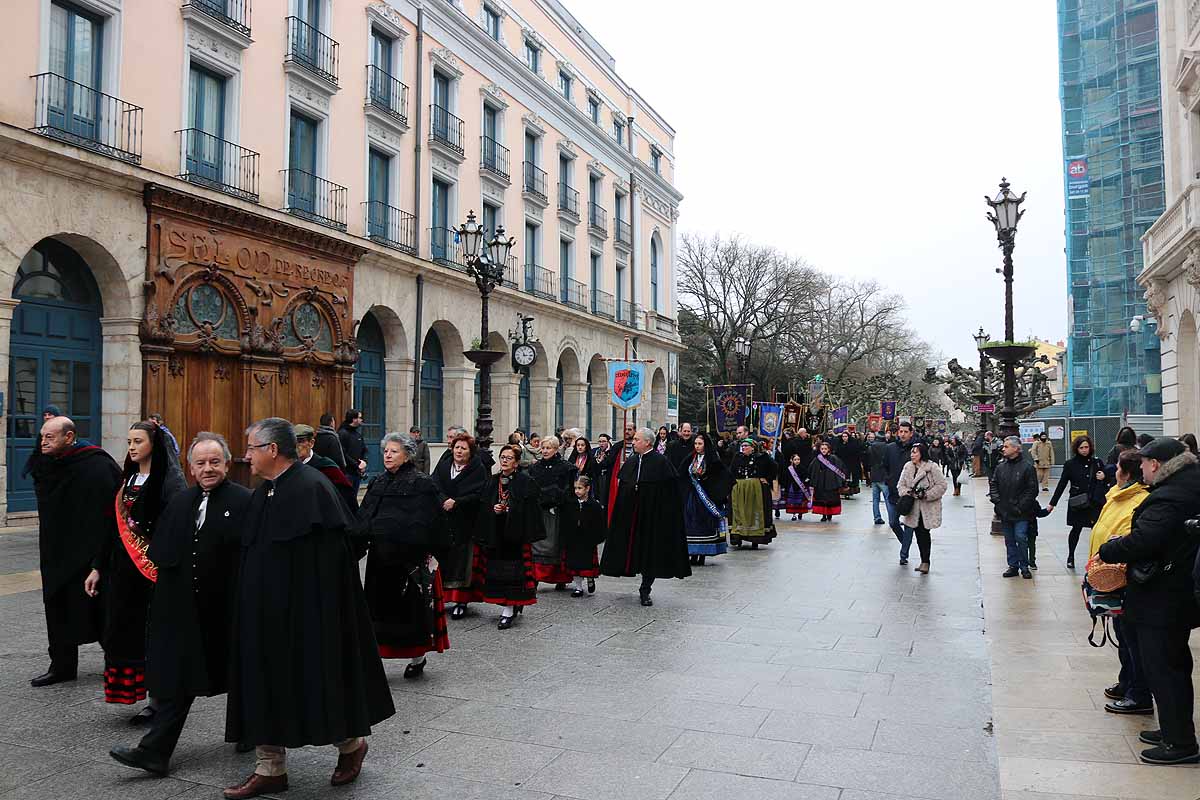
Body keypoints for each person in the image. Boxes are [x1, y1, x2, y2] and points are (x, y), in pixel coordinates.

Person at [224, 418, 394, 798]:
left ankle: (352, 746)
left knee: (317, 685)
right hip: (264, 616)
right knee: (264, 683)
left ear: (272, 450)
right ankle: (270, 768)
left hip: (305, 616)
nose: (246, 455)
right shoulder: (265, 491)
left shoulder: (312, 489)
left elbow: (329, 568)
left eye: (252, 447)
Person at [108, 432, 251, 776]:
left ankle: (252, 731)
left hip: (231, 610)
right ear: (190, 467)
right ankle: (155, 752)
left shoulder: (246, 501)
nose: (207, 469)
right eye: (200, 463)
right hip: (187, 611)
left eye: (215, 462)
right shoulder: (181, 502)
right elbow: (163, 555)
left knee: (244, 673)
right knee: (179, 681)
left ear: (227, 464)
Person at [1098, 437, 1200, 765]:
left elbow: (1146, 540)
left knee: (1165, 668)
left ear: (1155, 464)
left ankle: (1180, 743)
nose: (1140, 468)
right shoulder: (1187, 484)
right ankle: (1173, 730)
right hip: (1175, 592)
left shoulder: (1171, 496)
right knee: (1172, 665)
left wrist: (1111, 548)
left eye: (1143, 463)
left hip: (1164, 596)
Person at [86, 421, 186, 718]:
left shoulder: (168, 483)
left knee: (151, 635)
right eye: (129, 441)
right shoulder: (127, 480)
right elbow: (111, 528)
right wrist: (97, 567)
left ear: (154, 445)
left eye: (138, 441)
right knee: (123, 631)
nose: (131, 447)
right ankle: (130, 690)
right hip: (121, 571)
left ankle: (158, 700)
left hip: (150, 574)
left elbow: (174, 529)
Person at [29, 416, 121, 688]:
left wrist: (100, 557)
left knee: (100, 608)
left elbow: (111, 508)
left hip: (89, 550)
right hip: (56, 548)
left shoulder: (96, 464)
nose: (43, 442)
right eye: (42, 436)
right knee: (56, 605)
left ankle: (118, 663)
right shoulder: (45, 462)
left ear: (69, 437)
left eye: (50, 437)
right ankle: (61, 665)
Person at [357, 432, 449, 680]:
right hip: (379, 560)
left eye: (393, 451)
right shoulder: (377, 483)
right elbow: (364, 517)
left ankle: (417, 658)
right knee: (379, 609)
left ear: (407, 454)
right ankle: (376, 659)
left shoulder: (422, 483)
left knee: (410, 612)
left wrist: (423, 552)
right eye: (386, 451)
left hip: (409, 562)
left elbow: (432, 521)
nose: (387, 455)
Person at [1087, 450, 1151, 716]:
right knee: (1122, 636)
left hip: (1123, 578)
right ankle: (1127, 681)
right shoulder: (1116, 495)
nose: (1114, 473)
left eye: (1118, 469)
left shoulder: (1138, 500)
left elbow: (1129, 538)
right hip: (1107, 575)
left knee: (1132, 639)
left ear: (1125, 473)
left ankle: (1139, 693)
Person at [601, 427, 691, 606]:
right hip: (632, 518)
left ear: (647, 442)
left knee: (650, 553)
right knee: (633, 551)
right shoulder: (633, 461)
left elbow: (670, 495)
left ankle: (645, 588)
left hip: (652, 518)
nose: (633, 442)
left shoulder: (661, 462)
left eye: (636, 439)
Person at [476, 444, 545, 629]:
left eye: (509, 458)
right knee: (498, 570)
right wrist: (494, 508)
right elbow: (484, 505)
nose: (504, 461)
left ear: (516, 462)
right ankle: (507, 605)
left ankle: (509, 609)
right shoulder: (492, 481)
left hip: (516, 535)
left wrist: (510, 509)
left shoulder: (525, 481)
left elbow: (531, 509)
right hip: (497, 533)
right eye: (502, 457)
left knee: (514, 572)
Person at [432, 432, 488, 620]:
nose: (459, 451)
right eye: (457, 447)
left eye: (463, 448)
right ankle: (441, 597)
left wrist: (457, 502)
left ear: (470, 452)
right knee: (443, 560)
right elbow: (434, 485)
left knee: (463, 562)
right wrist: (443, 500)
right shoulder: (444, 464)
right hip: (444, 520)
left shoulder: (477, 468)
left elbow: (479, 493)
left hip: (465, 523)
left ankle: (460, 601)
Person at [1048, 435, 1109, 569]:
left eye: (1086, 447)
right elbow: (1062, 484)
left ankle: (1096, 557)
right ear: (1076, 448)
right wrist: (1052, 503)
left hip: (1094, 502)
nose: (1084, 450)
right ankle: (1071, 556)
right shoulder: (1070, 464)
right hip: (1078, 503)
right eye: (1081, 447)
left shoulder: (1097, 462)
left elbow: (1107, 481)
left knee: (1096, 530)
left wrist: (1104, 477)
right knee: (1076, 529)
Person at [528, 435, 577, 588]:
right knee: (537, 543)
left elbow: (569, 490)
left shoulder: (566, 467)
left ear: (556, 449)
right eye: (543, 448)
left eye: (548, 448)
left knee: (556, 544)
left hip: (558, 511)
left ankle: (560, 578)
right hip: (539, 511)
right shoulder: (535, 467)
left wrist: (556, 498)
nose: (544, 451)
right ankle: (536, 576)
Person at [989, 435, 1039, 579]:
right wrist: (997, 502)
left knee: (1020, 537)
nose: (1003, 449)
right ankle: (1013, 565)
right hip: (1004, 510)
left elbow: (1032, 490)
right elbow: (994, 484)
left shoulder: (1027, 467)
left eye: (1006, 446)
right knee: (1009, 539)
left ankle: (1024, 565)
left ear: (1016, 449)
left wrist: (1021, 506)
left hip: (1021, 512)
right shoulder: (1001, 467)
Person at [680, 432, 734, 564]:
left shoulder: (712, 459)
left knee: (704, 525)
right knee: (691, 525)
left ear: (706, 444)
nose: (697, 446)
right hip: (692, 498)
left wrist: (710, 485)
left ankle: (703, 553)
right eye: (695, 444)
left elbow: (723, 477)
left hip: (706, 499)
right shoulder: (691, 458)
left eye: (700, 444)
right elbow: (681, 473)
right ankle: (692, 552)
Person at [895, 441, 947, 572]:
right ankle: (922, 560)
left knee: (924, 534)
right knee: (917, 534)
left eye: (915, 452)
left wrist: (927, 494)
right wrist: (908, 493)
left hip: (927, 507)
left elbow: (942, 485)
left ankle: (925, 562)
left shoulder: (932, 467)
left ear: (922, 453)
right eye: (911, 452)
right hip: (912, 507)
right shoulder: (908, 467)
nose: (912, 455)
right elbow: (900, 485)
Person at [559, 476, 606, 595]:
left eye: (580, 488)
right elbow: (565, 520)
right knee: (574, 564)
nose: (577, 491)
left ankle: (590, 579)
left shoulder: (594, 505)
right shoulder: (570, 503)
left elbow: (600, 523)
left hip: (587, 540)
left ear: (587, 488)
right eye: (575, 488)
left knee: (587, 563)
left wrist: (597, 537)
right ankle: (578, 587)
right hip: (573, 538)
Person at [295, 424, 358, 512]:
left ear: (311, 443)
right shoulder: (287, 467)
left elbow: (347, 497)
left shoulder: (327, 468)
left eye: (301, 441)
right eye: (293, 442)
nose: (296, 446)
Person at [729, 439, 777, 548]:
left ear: (752, 447)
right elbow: (731, 471)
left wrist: (767, 479)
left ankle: (755, 538)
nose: (743, 448)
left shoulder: (761, 457)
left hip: (755, 489)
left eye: (746, 446)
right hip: (740, 488)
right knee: (739, 512)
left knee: (754, 512)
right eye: (742, 445)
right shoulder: (737, 457)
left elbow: (774, 467)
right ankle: (738, 537)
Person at [884, 422, 917, 541]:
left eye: (906, 432)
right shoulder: (890, 448)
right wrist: (889, 479)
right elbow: (885, 466)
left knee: (909, 524)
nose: (903, 434)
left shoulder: (915, 450)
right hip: (893, 490)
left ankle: (904, 552)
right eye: (901, 431)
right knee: (893, 522)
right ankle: (904, 542)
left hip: (910, 492)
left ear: (911, 433)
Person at [807, 440, 848, 522]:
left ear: (829, 449)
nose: (824, 450)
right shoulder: (817, 459)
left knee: (831, 499)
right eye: (822, 449)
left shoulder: (834, 458)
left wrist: (841, 482)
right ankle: (823, 515)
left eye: (825, 449)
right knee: (822, 499)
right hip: (820, 483)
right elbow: (811, 470)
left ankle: (830, 514)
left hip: (831, 483)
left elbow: (841, 469)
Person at [337, 409, 368, 492]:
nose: (362, 420)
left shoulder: (358, 434)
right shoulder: (342, 433)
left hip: (357, 473)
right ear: (354, 419)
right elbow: (343, 453)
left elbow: (364, 449)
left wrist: (364, 462)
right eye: (360, 418)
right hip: (347, 473)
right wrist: (357, 464)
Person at [779, 451, 811, 521]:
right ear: (792, 460)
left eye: (798, 459)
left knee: (800, 501)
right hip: (792, 487)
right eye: (795, 460)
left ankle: (800, 513)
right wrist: (785, 486)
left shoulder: (803, 468)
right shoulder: (789, 469)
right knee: (793, 502)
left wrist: (806, 481)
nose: (797, 461)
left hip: (800, 488)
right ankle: (793, 514)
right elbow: (786, 478)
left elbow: (807, 477)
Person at [867, 432, 889, 525]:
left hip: (874, 474)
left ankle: (877, 517)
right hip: (883, 475)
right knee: (888, 498)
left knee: (875, 499)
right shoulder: (887, 447)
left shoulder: (871, 447)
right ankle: (892, 517)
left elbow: (868, 461)